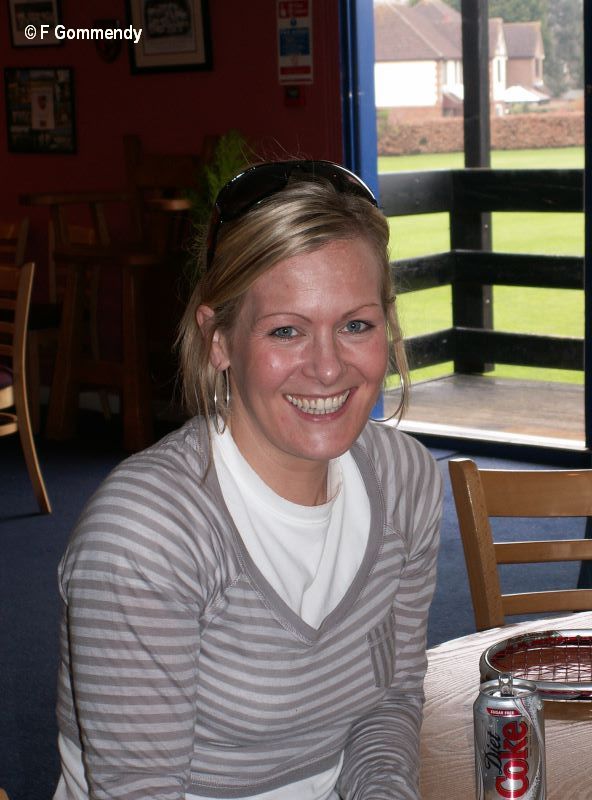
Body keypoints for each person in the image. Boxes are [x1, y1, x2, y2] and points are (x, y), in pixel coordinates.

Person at [53, 160, 443, 800]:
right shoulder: (146, 535)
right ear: (219, 339)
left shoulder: (406, 482)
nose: (327, 368)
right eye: (286, 330)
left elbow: (390, 702)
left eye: (356, 325)